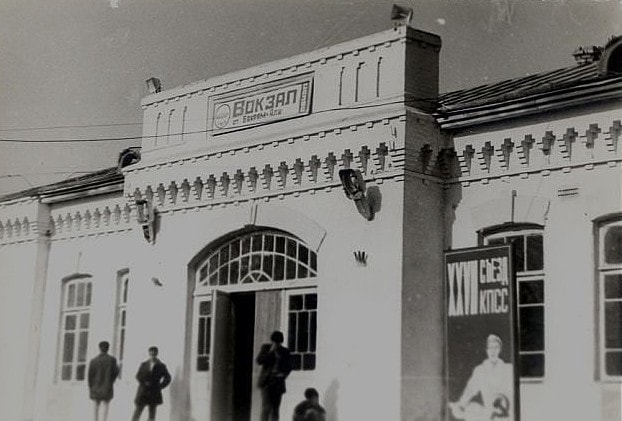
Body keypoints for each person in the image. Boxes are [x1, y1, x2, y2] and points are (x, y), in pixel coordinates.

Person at [449, 334, 513, 421]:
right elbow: (470, 390)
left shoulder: (508, 369)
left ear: (500, 349)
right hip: (489, 414)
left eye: (496, 347)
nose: (493, 351)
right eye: (490, 348)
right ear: (486, 350)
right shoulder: (480, 370)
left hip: (507, 413)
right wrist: (461, 404)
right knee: (472, 409)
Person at [256, 330, 292, 421]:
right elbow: (259, 361)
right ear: (272, 341)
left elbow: (289, 367)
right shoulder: (265, 348)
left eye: (278, 343)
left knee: (275, 409)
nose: (276, 344)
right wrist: (270, 352)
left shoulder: (285, 351)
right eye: (275, 342)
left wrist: (283, 374)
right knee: (266, 407)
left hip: (278, 382)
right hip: (267, 382)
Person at [131, 346, 172, 421]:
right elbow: (138, 376)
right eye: (151, 352)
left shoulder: (161, 366)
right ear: (149, 353)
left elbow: (168, 377)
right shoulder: (144, 364)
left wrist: (160, 386)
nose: (153, 354)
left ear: (157, 353)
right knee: (137, 412)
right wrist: (144, 382)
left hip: (154, 392)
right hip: (143, 391)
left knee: (152, 414)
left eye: (154, 353)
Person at [87, 341, 120, 421]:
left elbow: (90, 376)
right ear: (108, 348)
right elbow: (116, 372)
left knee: (95, 408)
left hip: (95, 387)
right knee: (105, 407)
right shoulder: (112, 360)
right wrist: (111, 380)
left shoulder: (94, 361)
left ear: (99, 348)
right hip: (107, 387)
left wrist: (91, 386)